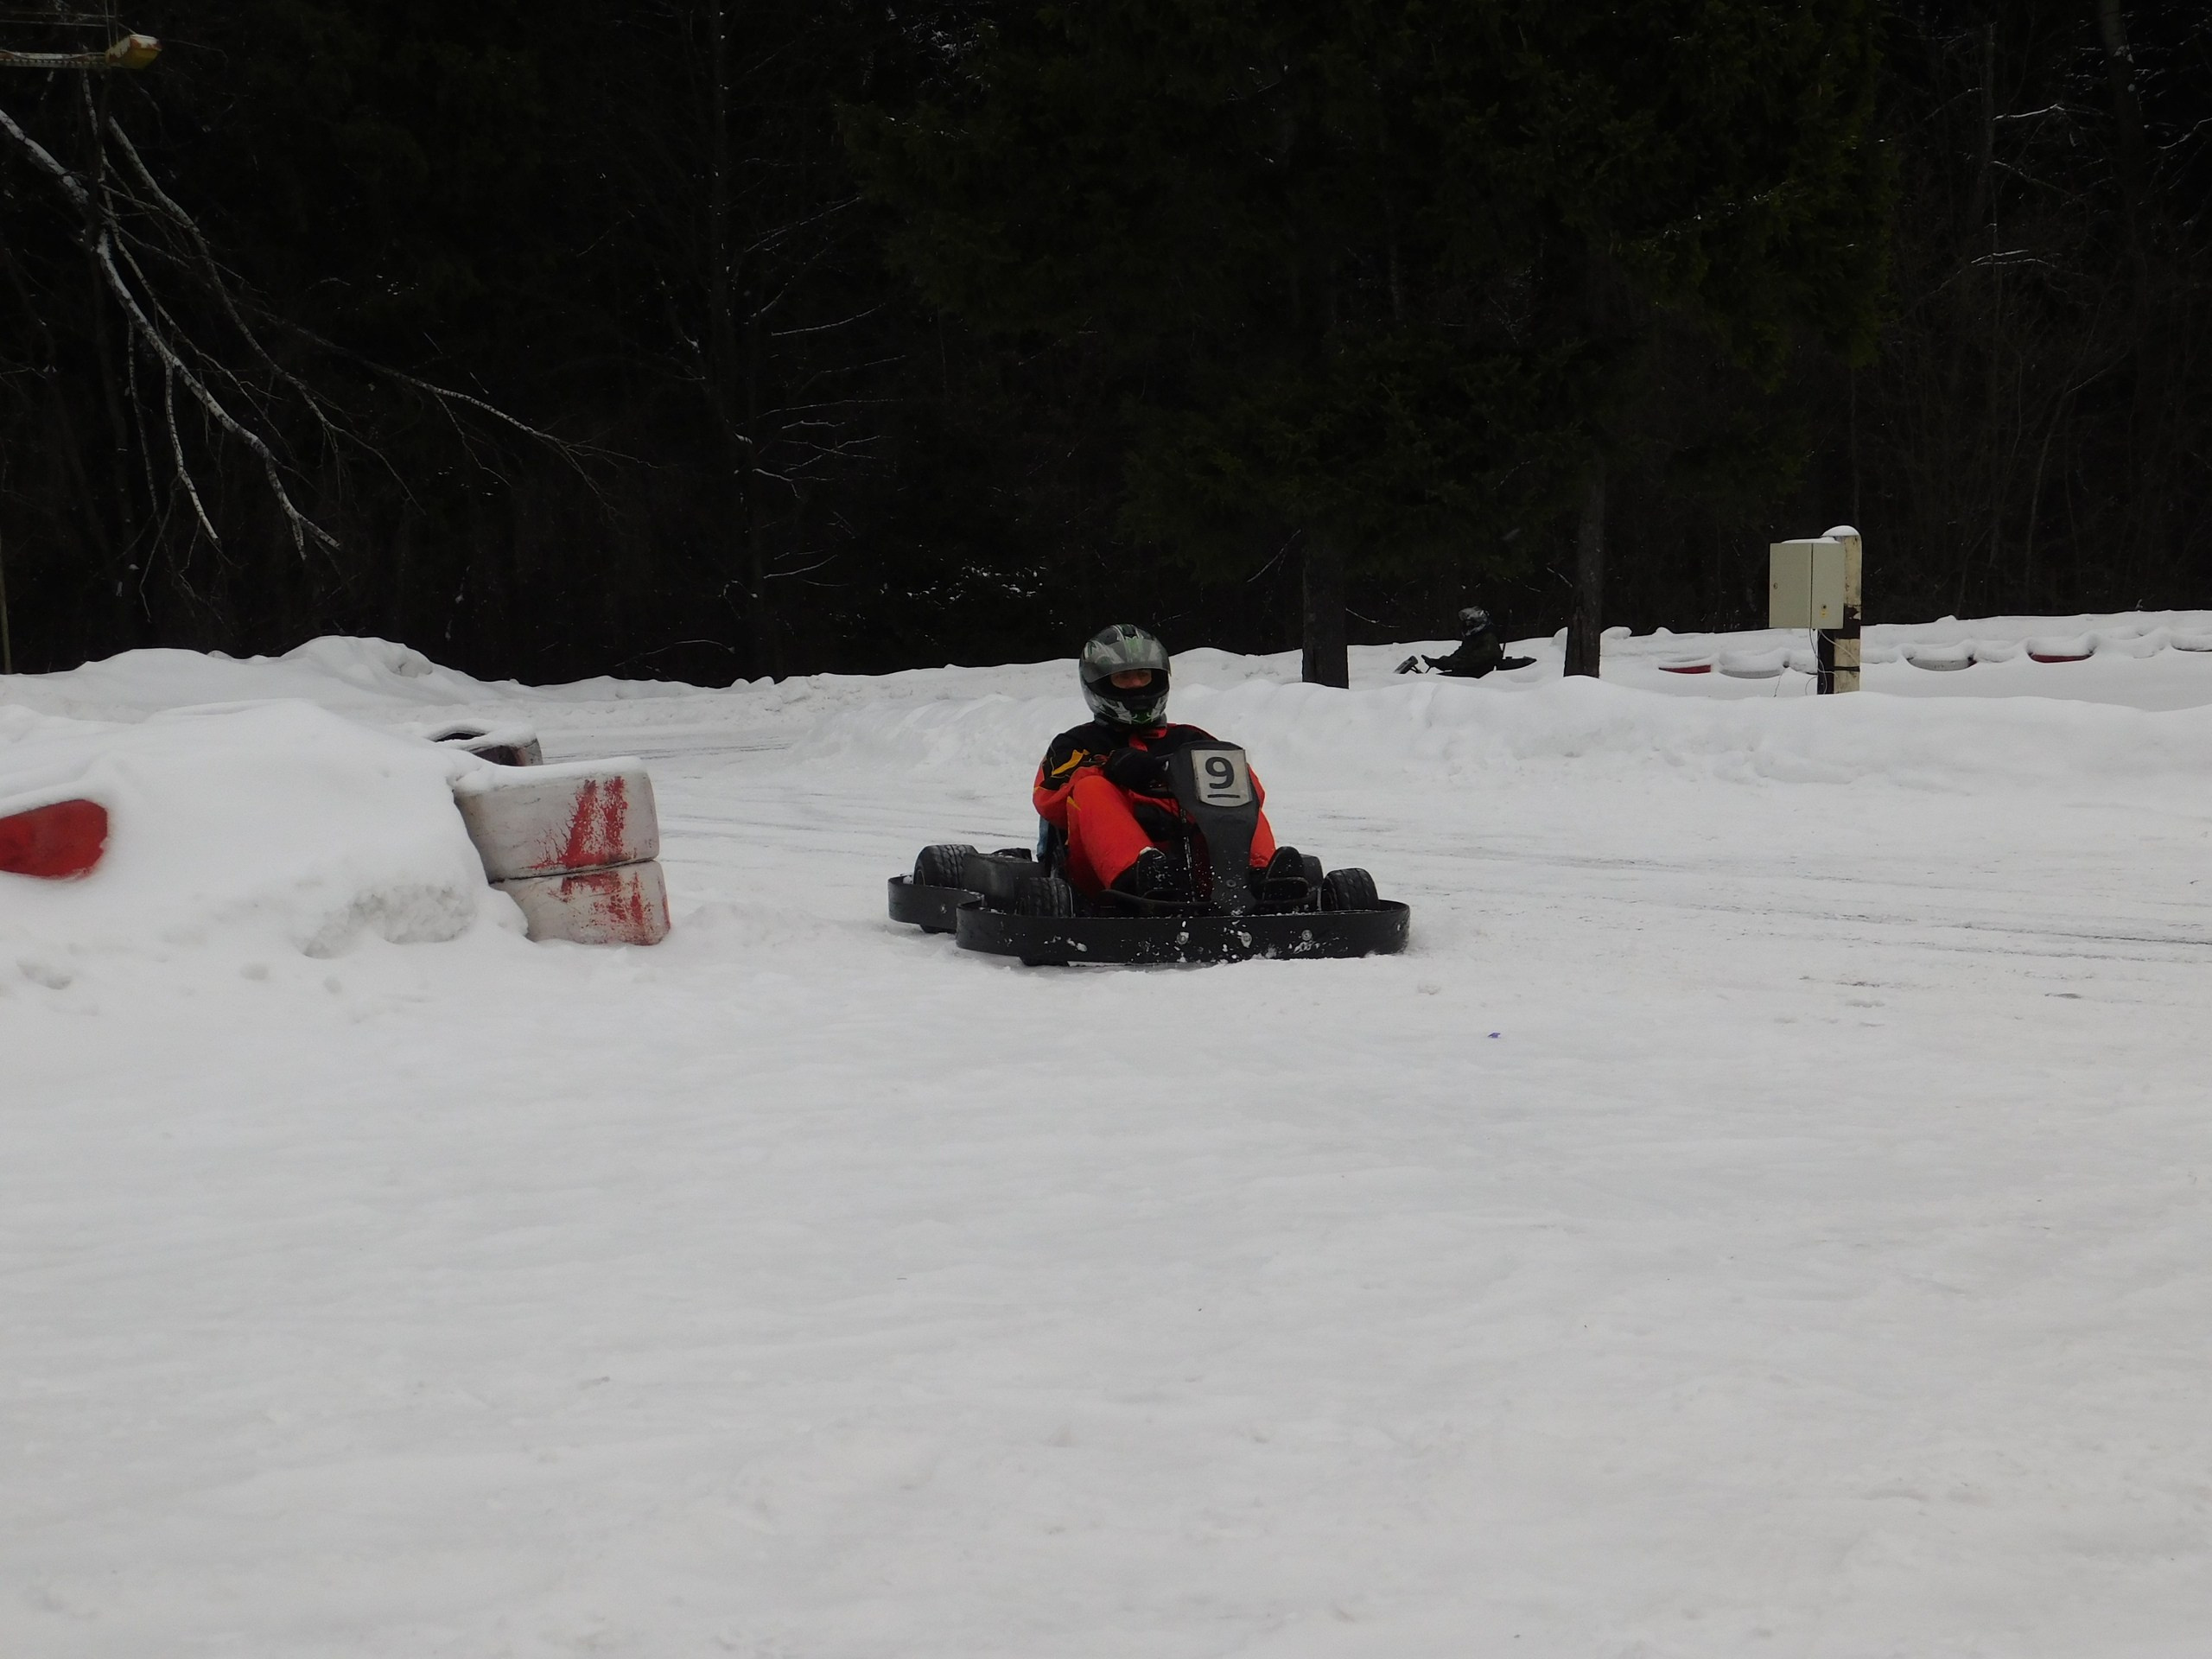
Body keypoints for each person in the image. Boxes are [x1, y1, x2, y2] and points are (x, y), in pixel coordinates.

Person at [1033, 624, 1296, 902]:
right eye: (1124, 677)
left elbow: (1251, 792)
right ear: (1099, 684)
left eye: (1143, 676)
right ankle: (1143, 879)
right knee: (1091, 788)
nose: (1135, 685)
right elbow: (1049, 797)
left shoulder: (1189, 738)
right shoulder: (1074, 743)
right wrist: (1111, 767)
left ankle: (1258, 875)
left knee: (1237, 789)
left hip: (1202, 866)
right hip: (1103, 878)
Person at [1395, 606, 1536, 677]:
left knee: (1432, 684)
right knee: (1429, 681)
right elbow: (1460, 655)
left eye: (1470, 623)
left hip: (1476, 679)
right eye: (1466, 624)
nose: (1467, 627)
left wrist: (1448, 663)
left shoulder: (1488, 639)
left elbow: (1472, 660)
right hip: (1466, 675)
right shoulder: (1473, 639)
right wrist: (1439, 662)